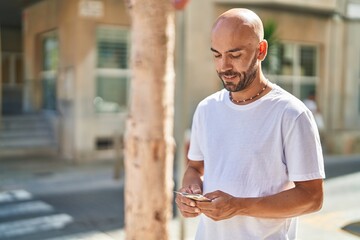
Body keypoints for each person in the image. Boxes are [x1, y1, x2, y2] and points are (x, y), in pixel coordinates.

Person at [175, 8, 325, 240]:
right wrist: (190, 192)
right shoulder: (206, 109)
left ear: (261, 50)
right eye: (217, 55)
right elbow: (195, 168)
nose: (224, 66)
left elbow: (312, 198)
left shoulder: (292, 114)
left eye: (235, 55)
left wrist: (239, 205)